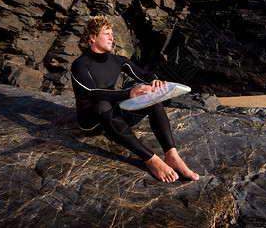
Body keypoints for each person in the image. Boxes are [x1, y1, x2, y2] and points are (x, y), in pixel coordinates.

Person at [71, 15, 199, 183]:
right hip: (92, 122)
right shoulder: (80, 64)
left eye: (112, 33)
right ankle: (151, 160)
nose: (112, 37)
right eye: (106, 34)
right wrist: (130, 93)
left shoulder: (117, 60)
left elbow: (145, 74)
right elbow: (93, 93)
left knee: (152, 100)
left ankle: (171, 154)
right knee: (102, 105)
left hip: (114, 119)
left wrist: (154, 80)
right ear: (92, 38)